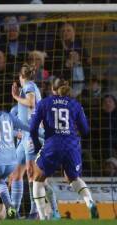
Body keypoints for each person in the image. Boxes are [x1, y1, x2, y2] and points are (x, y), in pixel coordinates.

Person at [31, 78, 99, 220]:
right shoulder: (75, 104)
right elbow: (85, 130)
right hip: (72, 145)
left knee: (37, 178)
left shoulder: (44, 103)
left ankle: (43, 217)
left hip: (52, 145)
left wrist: (37, 145)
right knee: (73, 178)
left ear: (52, 89)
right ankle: (90, 202)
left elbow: (33, 128)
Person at [9, 63, 60, 219]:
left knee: (34, 177)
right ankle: (14, 213)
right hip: (25, 136)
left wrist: (16, 97)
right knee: (16, 174)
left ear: (21, 77)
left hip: (33, 136)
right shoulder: (28, 89)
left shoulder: (30, 86)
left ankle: (36, 212)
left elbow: (31, 102)